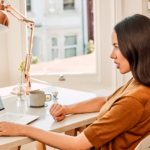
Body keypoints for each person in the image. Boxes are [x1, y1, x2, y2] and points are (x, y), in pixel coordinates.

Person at [0, 14, 150, 150]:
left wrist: (21, 129)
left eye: (116, 47)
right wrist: (67, 109)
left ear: (136, 46)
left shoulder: (134, 100)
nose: (112, 55)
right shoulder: (138, 84)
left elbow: (77, 144)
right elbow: (105, 101)